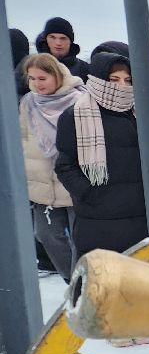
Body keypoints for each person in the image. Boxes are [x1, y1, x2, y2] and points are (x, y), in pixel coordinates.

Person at [53, 47, 149, 264]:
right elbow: (65, 165)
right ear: (98, 79)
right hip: (98, 219)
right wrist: (90, 193)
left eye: (127, 80)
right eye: (114, 79)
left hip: (141, 214)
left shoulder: (140, 112)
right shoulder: (76, 115)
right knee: (104, 277)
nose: (122, 86)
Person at [18, 53, 85, 282]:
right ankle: (72, 279)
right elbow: (23, 138)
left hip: (73, 182)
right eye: (32, 78)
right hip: (42, 183)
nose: (37, 84)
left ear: (57, 75)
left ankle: (84, 282)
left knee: (80, 238)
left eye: (42, 78)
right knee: (46, 234)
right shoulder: (28, 102)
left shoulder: (79, 100)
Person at [34, 16, 90, 84]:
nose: (58, 43)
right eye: (52, 37)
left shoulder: (85, 70)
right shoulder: (31, 66)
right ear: (46, 39)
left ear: (70, 41)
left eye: (63, 38)